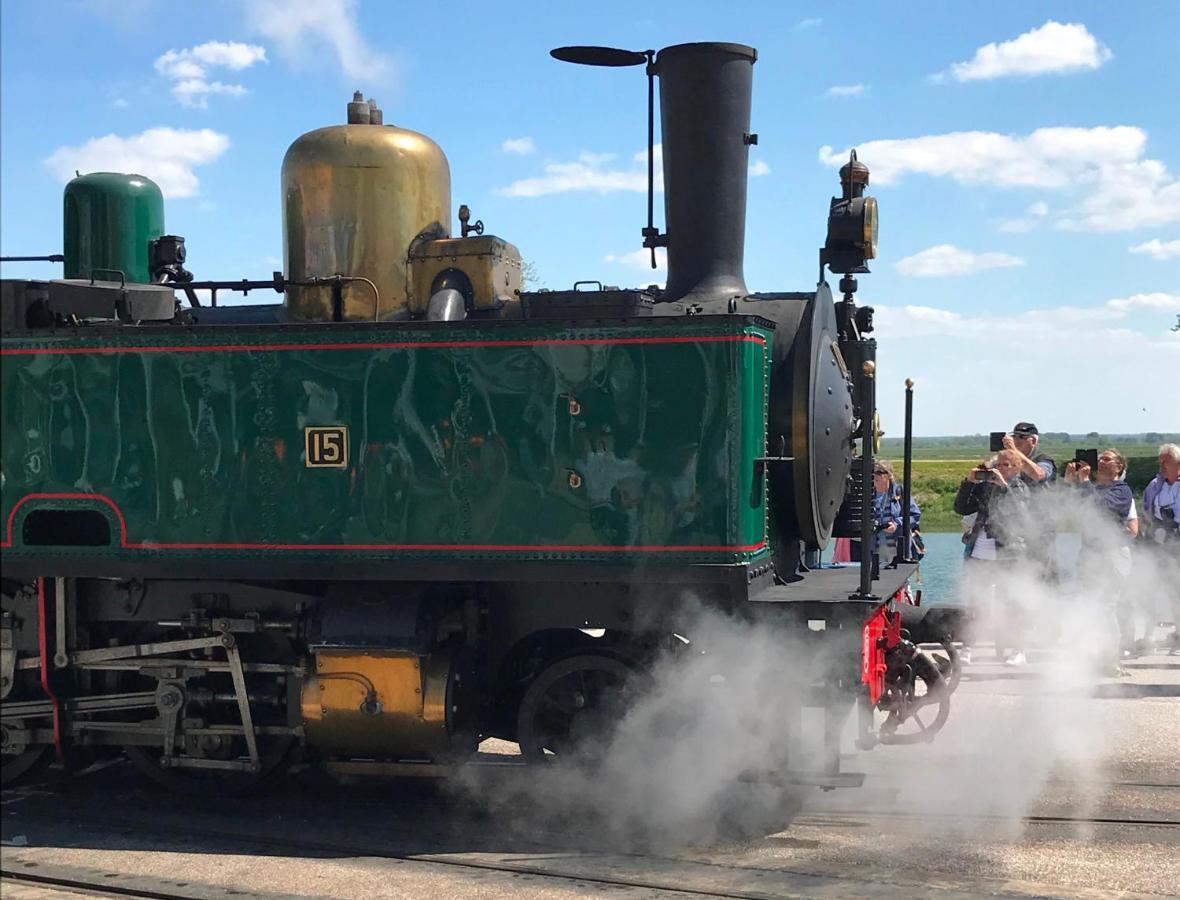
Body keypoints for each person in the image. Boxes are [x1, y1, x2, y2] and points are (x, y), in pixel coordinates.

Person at [955, 450, 1032, 665]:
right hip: (980, 548)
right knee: (975, 599)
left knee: (1011, 602)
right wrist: (969, 483)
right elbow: (961, 507)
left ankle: (1018, 649)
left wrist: (1004, 488)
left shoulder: (1019, 488)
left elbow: (1021, 516)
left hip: (1009, 552)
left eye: (1007, 465)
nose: (1001, 469)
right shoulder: (986, 486)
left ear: (1016, 468)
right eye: (998, 465)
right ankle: (968, 646)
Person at [1066, 448, 1135, 664]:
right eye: (1100, 459)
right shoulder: (1093, 488)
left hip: (1112, 554)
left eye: (1107, 459)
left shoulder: (1122, 491)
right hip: (1090, 553)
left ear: (1118, 467)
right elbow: (1066, 507)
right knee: (1087, 603)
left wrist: (1085, 482)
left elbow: (1101, 509)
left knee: (1107, 606)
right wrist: (1068, 482)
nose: (1101, 462)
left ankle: (1110, 660)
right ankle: (1091, 655)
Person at [1143, 443, 1180, 652]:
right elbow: (1147, 509)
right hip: (1161, 542)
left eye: (1166, 460)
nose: (1162, 464)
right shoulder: (1155, 484)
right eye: (1160, 460)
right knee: (1160, 588)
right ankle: (1150, 636)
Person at [871, 459, 922, 566]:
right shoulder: (869, 494)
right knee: (876, 580)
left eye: (879, 473)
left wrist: (896, 524)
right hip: (875, 549)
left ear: (889, 475)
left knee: (899, 580)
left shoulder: (899, 492)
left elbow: (915, 515)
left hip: (896, 548)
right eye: (873, 472)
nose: (875, 476)